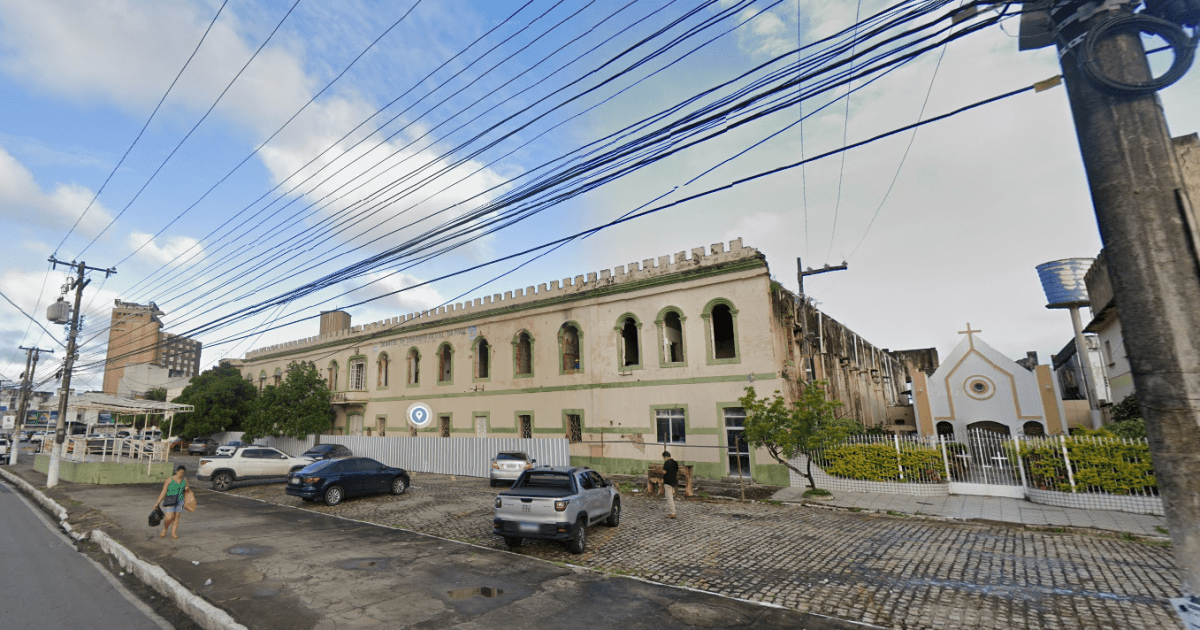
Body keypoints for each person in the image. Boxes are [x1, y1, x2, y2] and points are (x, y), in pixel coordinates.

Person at [154, 465, 189, 539]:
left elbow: (187, 490)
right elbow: (163, 491)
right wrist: (158, 502)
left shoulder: (185, 480)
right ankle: (165, 529)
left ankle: (173, 533)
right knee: (169, 517)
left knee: (176, 516)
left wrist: (187, 490)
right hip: (170, 500)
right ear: (177, 471)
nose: (181, 474)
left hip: (180, 500)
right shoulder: (169, 479)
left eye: (182, 473)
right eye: (180, 472)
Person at [662, 451, 678, 519]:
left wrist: (661, 471)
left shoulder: (667, 463)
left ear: (665, 457)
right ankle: (673, 512)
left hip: (668, 482)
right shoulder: (675, 462)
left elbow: (664, 472)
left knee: (669, 498)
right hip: (673, 481)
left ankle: (673, 513)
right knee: (670, 497)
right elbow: (676, 471)